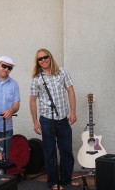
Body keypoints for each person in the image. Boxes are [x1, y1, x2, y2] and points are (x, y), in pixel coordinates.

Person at [29, 48, 79, 190]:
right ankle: (53, 182)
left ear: (50, 57)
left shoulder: (62, 72)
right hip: (46, 120)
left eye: (45, 57)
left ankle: (66, 180)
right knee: (50, 153)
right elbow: (32, 100)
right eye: (40, 59)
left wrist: (73, 111)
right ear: (37, 62)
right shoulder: (37, 78)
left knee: (66, 152)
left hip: (63, 119)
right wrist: (35, 121)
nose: (43, 60)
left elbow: (70, 91)